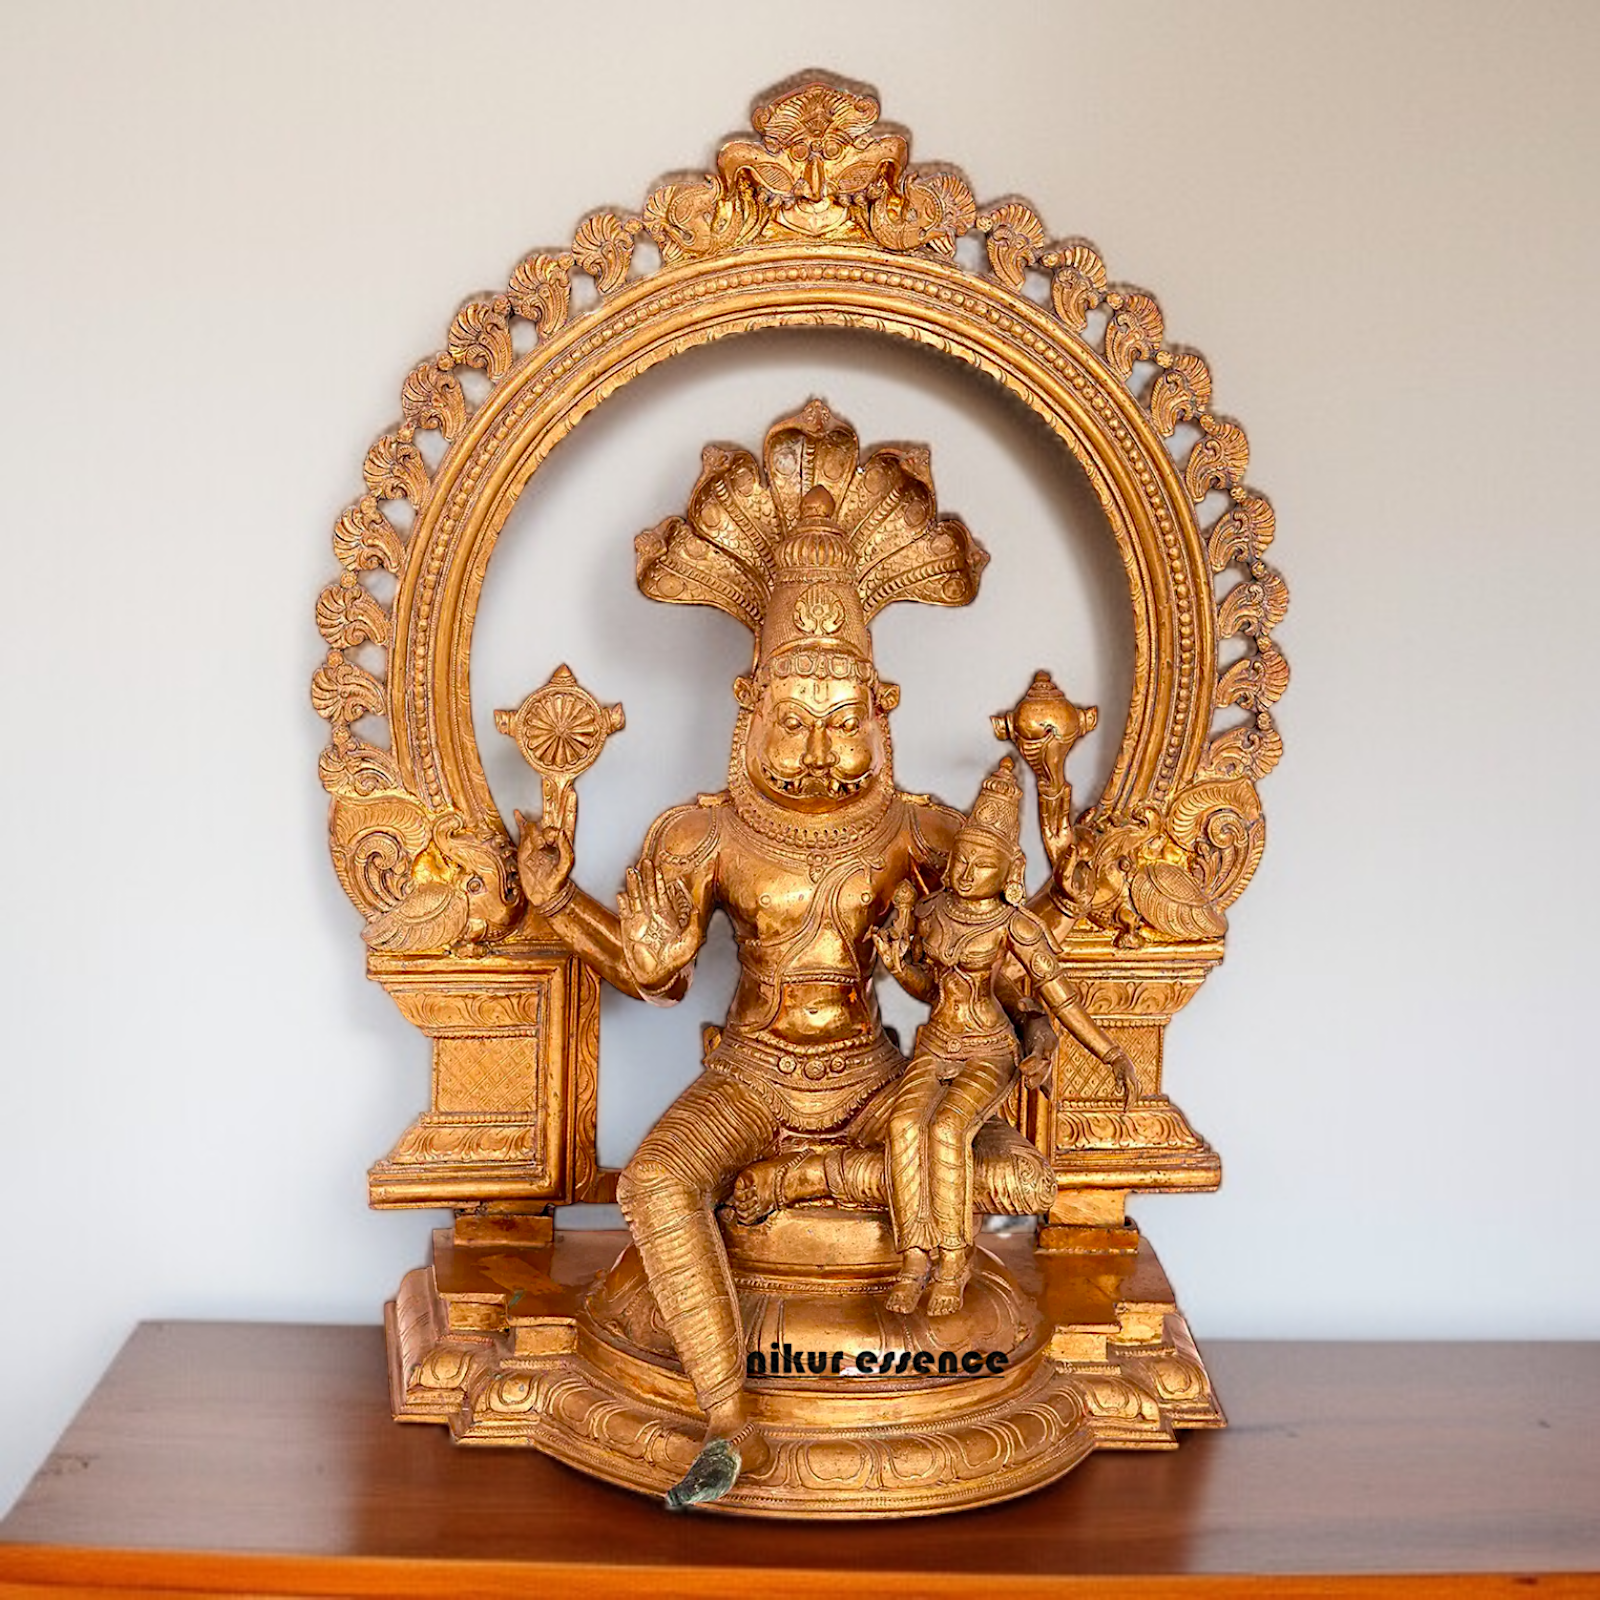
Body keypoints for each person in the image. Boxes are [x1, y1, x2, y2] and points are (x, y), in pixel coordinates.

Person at [874, 756, 1138, 1316]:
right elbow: (929, 987)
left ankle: (952, 1261)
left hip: (988, 1048)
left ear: (1009, 870)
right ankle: (914, 1257)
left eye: (982, 863)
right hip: (937, 1043)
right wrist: (898, 967)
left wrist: (1110, 1052)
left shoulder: (1012, 925)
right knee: (903, 1125)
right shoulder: (932, 911)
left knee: (948, 1128)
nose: (967, 872)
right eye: (962, 859)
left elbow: (1060, 998)